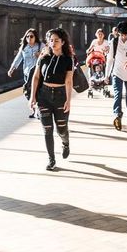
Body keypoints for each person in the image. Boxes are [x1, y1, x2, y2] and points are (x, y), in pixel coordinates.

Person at [30, 28, 74, 171]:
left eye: (56, 40)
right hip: (44, 96)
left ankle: (65, 142)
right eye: (51, 40)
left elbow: (68, 81)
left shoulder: (68, 59)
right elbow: (36, 77)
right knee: (47, 129)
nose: (53, 42)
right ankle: (51, 160)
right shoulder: (43, 57)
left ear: (62, 42)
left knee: (61, 129)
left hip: (61, 96)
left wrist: (68, 100)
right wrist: (32, 97)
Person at [8, 28, 42, 118]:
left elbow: (49, 55)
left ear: (35, 37)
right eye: (27, 36)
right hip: (27, 73)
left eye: (31, 36)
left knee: (37, 92)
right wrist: (12, 69)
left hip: (38, 73)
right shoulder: (24, 47)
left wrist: (40, 55)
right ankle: (34, 110)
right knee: (28, 92)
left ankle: (38, 111)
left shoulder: (40, 46)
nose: (29, 38)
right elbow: (18, 58)